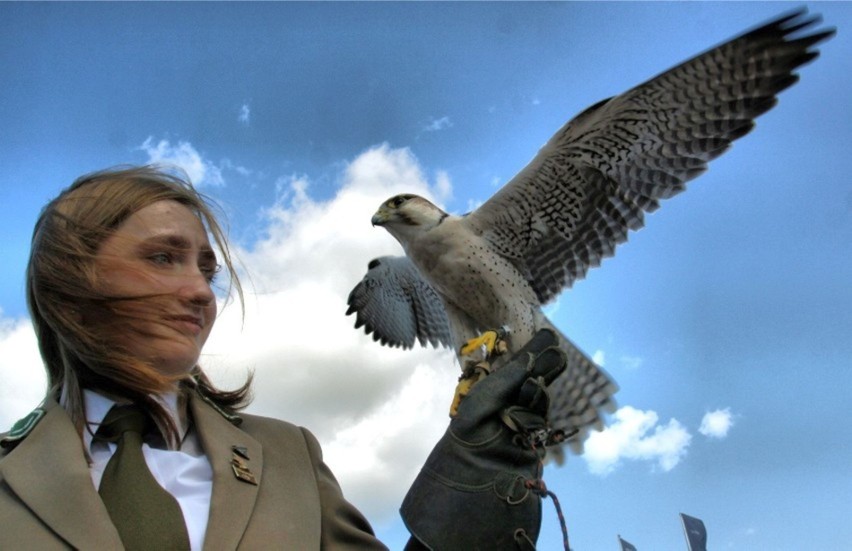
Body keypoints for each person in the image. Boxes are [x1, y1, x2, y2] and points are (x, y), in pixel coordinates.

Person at [0, 165, 567, 550]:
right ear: (66, 282)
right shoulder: (10, 477)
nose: (200, 292)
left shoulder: (288, 457)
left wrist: (459, 517)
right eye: (162, 258)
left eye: (206, 270)